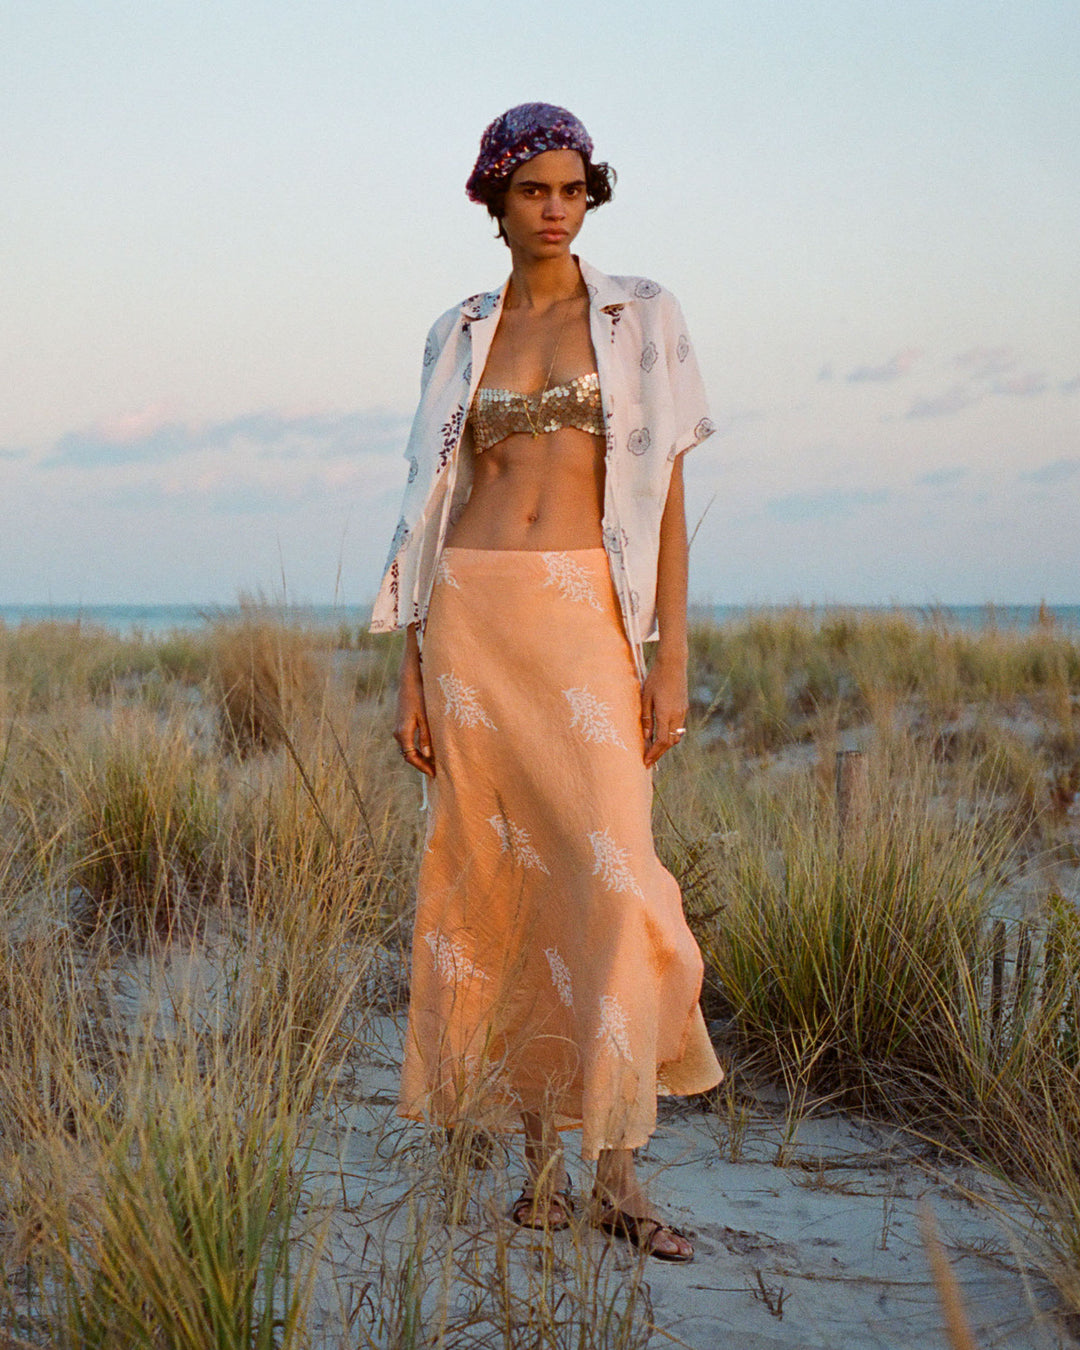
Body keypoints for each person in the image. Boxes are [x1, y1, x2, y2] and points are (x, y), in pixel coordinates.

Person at [371, 103, 723, 1262]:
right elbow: (429, 506)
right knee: (498, 882)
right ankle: (537, 1171)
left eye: (574, 189)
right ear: (496, 202)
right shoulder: (457, 331)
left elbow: (664, 499)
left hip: (585, 619)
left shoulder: (641, 316)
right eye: (535, 191)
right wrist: (412, 673)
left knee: (614, 879)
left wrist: (668, 655)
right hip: (473, 618)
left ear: (592, 197)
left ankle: (620, 1170)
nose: (558, 208)